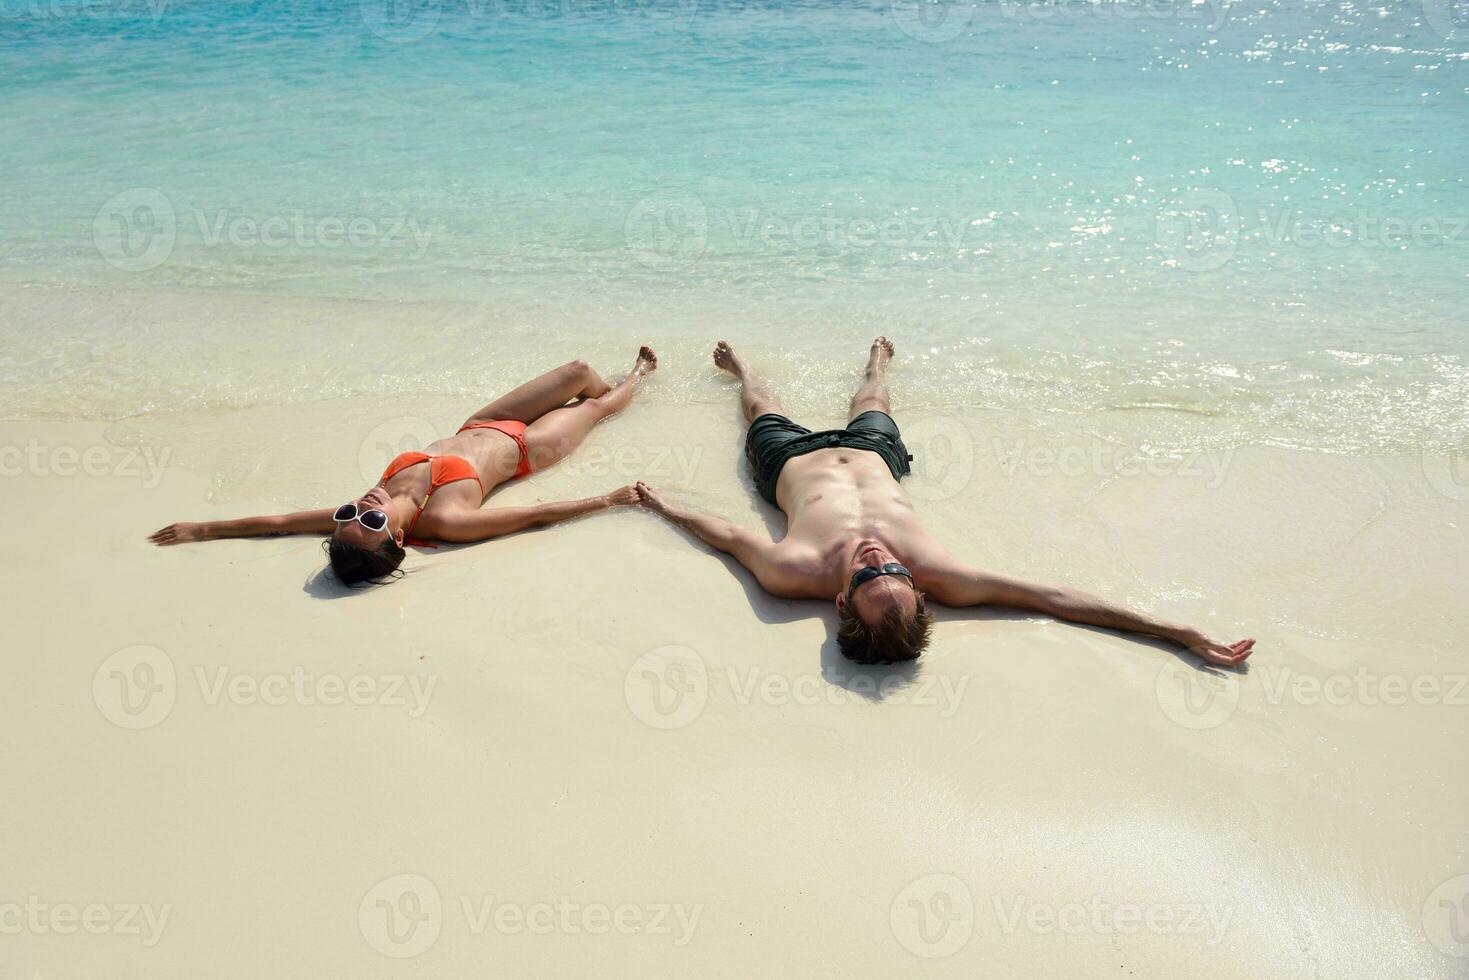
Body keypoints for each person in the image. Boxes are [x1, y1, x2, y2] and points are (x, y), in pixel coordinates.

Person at [634, 339, 1254, 667]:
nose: (881, 560)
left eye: (869, 575)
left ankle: (743, 370)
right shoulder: (939, 576)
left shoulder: (793, 573)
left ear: (844, 600)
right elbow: (1057, 599)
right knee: (873, 401)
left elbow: (724, 535)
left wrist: (664, 507)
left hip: (789, 462)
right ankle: (877, 363)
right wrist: (1176, 630)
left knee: (760, 406)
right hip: (873, 453)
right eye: (895, 574)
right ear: (918, 588)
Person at [150, 349, 658, 585]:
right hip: (531, 448)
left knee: (578, 372)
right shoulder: (444, 521)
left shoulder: (368, 509)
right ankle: (638, 377)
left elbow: (279, 524)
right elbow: (533, 517)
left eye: (350, 513)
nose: (363, 508)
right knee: (596, 407)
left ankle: (607, 382)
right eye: (370, 522)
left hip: (483, 421)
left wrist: (202, 528)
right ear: (396, 540)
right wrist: (607, 500)